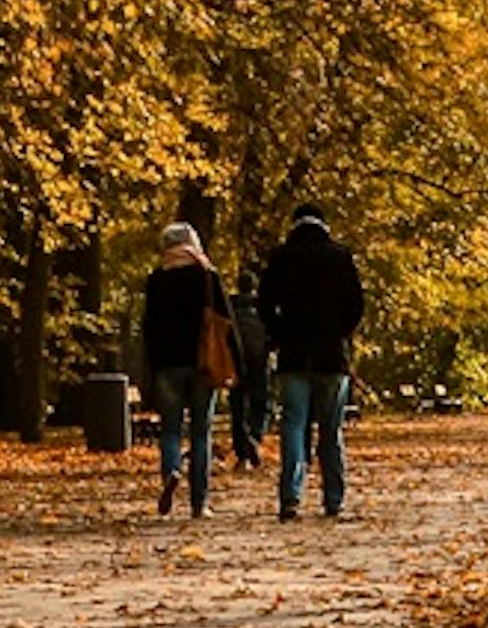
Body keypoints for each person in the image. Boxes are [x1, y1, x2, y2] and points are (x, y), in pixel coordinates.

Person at [261, 201, 364, 520]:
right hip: (331, 356)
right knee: (331, 430)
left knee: (293, 424)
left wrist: (279, 334)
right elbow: (356, 305)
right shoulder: (340, 256)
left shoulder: (280, 257)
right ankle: (334, 498)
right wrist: (340, 332)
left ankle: (291, 495)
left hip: (293, 354)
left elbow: (264, 303)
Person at [138, 220, 229, 519]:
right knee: (201, 432)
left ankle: (171, 472)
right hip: (203, 362)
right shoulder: (207, 276)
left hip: (167, 364)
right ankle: (199, 503)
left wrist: (149, 368)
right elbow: (224, 321)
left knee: (171, 429)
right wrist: (236, 364)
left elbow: (149, 327)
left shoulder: (156, 280)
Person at [225, 265, 272, 474]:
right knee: (261, 403)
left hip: (235, 362)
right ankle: (255, 435)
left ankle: (241, 452)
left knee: (237, 407)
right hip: (259, 361)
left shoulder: (229, 307)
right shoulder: (262, 307)